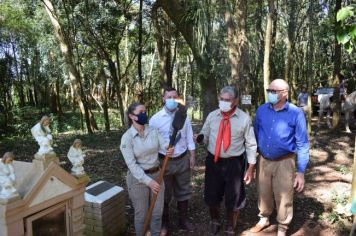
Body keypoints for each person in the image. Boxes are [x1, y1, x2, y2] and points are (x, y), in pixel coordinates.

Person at [250, 79, 309, 236]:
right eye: (269, 90)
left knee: (284, 195)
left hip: (285, 162)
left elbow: (303, 143)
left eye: (274, 91)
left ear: (285, 93)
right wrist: (250, 161)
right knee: (263, 191)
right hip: (263, 160)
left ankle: (282, 227)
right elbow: (255, 135)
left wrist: (301, 172)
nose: (270, 93)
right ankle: (264, 218)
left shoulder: (296, 113)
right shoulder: (261, 110)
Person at [195, 85, 257, 235]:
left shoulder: (244, 118)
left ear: (235, 101)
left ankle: (230, 226)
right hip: (213, 161)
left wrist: (250, 168)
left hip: (234, 163)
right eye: (221, 99)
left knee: (233, 195)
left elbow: (251, 144)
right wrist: (200, 138)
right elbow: (205, 134)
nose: (223, 102)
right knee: (212, 194)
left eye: (227, 100)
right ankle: (215, 220)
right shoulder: (212, 116)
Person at [120, 102, 174, 236]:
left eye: (145, 111)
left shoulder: (153, 130)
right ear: (132, 116)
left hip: (157, 175)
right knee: (142, 214)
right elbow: (132, 165)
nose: (145, 114)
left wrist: (168, 148)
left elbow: (163, 144)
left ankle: (155, 233)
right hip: (138, 179)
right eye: (141, 112)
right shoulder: (127, 138)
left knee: (156, 213)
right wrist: (148, 182)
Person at [149, 87, 196, 235]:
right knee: (165, 193)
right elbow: (151, 142)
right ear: (163, 99)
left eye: (174, 97)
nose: (171, 100)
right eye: (168, 97)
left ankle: (183, 220)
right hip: (164, 162)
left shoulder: (183, 115)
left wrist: (192, 155)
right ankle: (165, 222)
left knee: (184, 190)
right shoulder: (155, 119)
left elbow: (189, 136)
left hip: (182, 158)